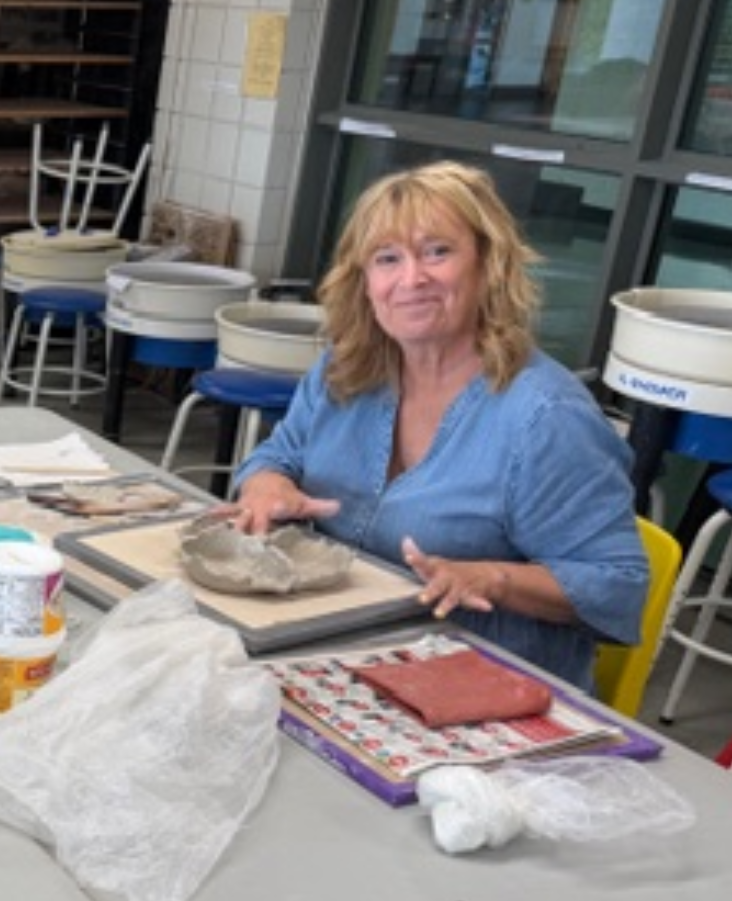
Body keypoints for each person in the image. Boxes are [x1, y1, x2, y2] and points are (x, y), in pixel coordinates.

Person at [233, 161, 646, 690]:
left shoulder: (548, 418)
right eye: (387, 259)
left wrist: (492, 578)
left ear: (488, 266)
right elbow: (279, 454)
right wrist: (267, 486)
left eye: (437, 252)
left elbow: (618, 585)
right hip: (340, 659)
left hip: (486, 690)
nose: (412, 279)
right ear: (364, 282)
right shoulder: (346, 370)